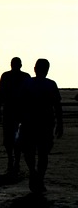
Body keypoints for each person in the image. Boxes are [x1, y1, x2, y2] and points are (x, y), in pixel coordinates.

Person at [20, 58, 63, 194]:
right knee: (42, 153)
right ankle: (38, 176)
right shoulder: (50, 84)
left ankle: (34, 173)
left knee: (31, 152)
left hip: (32, 123)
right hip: (43, 123)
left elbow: (20, 103)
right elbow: (57, 106)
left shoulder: (27, 83)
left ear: (35, 69)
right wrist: (60, 123)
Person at [0, 57, 31, 177]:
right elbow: (0, 94)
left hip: (18, 111)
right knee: (11, 137)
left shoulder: (23, 77)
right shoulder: (8, 76)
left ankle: (14, 161)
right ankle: (13, 161)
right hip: (12, 110)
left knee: (15, 137)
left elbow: (1, 94)